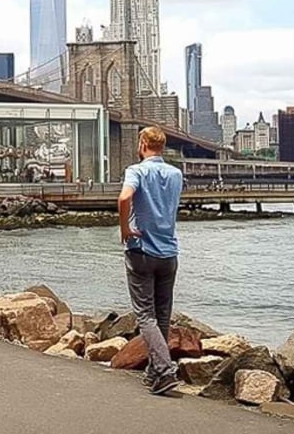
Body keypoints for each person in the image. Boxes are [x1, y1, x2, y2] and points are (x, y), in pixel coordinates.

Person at [118, 126, 184, 396]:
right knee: (162, 315)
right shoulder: (176, 174)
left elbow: (124, 197)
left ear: (143, 143)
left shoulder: (137, 170)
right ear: (163, 146)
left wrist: (124, 228)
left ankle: (165, 371)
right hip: (169, 253)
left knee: (146, 315)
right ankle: (154, 374)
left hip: (142, 250)